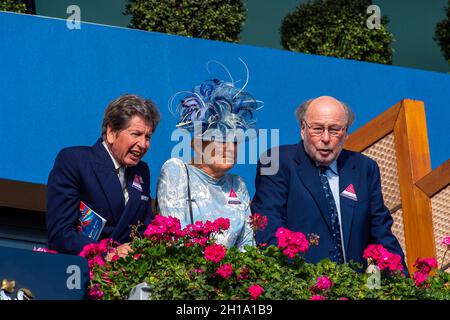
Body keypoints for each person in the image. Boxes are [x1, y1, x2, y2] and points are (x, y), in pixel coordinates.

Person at [251, 96, 407, 270]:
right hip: (298, 284)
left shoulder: (364, 168)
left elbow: (381, 232)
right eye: (317, 129)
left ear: (346, 132)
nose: (326, 138)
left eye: (334, 130)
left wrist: (404, 285)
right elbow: (268, 229)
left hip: (353, 288)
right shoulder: (275, 161)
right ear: (303, 129)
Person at [46, 94, 160, 255]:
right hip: (79, 273)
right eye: (136, 134)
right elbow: (61, 234)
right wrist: (109, 253)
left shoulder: (142, 171)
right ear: (111, 132)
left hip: (126, 276)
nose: (143, 144)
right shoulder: (75, 161)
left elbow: (144, 229)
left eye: (147, 137)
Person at [157, 79, 260, 250]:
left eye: (235, 141)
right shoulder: (176, 171)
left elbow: (247, 246)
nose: (229, 147)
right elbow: (176, 242)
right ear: (198, 143)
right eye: (220, 139)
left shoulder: (238, 184)